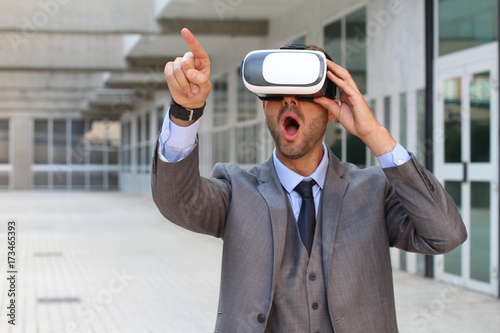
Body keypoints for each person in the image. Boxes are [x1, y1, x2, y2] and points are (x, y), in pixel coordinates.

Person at [151, 28, 467, 333]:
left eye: (304, 92)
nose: (290, 101)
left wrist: (375, 135)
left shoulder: (374, 191)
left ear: (332, 110)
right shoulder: (237, 190)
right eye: (278, 93)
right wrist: (185, 110)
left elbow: (445, 234)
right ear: (264, 105)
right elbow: (176, 201)